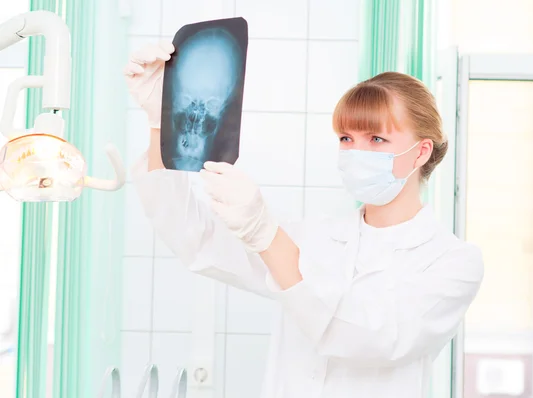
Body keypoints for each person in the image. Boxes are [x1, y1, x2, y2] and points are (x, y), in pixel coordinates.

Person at [124, 42, 484, 398]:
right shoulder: (313, 237)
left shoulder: (452, 263)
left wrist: (265, 235)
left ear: (421, 151)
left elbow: (374, 338)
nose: (356, 152)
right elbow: (196, 239)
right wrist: (162, 123)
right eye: (346, 138)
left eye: (376, 138)